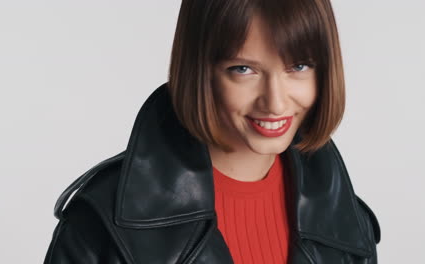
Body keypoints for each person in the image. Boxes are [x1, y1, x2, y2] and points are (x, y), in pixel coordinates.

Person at [43, 0, 381, 263]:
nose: (275, 102)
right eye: (243, 69)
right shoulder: (103, 220)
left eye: (299, 67)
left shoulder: (348, 227)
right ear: (200, 71)